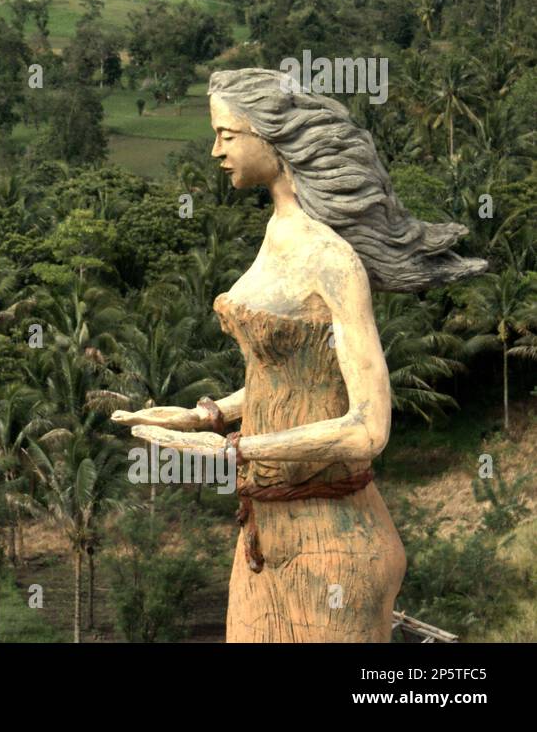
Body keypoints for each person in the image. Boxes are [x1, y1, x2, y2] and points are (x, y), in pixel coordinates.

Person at [112, 68, 486, 642]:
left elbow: (368, 428)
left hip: (332, 545)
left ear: (271, 137)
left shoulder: (334, 261)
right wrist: (204, 415)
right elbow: (290, 373)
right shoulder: (278, 229)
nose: (216, 151)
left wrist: (234, 450)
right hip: (265, 533)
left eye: (227, 134)